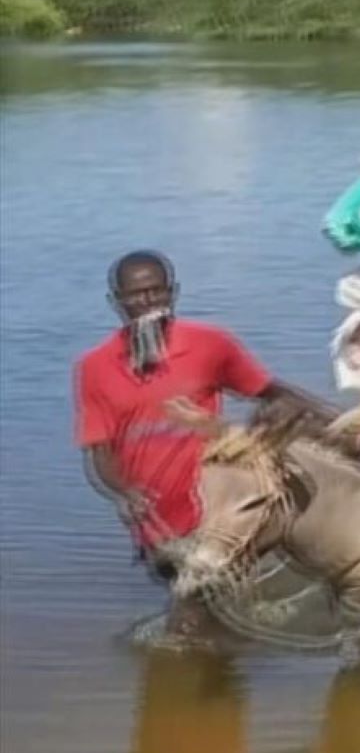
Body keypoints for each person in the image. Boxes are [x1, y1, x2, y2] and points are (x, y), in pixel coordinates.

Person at [73, 251, 312, 595]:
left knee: (196, 610)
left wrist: (319, 419)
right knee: (188, 593)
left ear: (173, 293)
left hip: (218, 507)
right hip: (155, 519)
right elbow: (99, 451)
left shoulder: (212, 344)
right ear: (116, 302)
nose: (148, 302)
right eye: (136, 295)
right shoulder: (94, 366)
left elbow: (271, 391)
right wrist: (123, 492)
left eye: (157, 291)